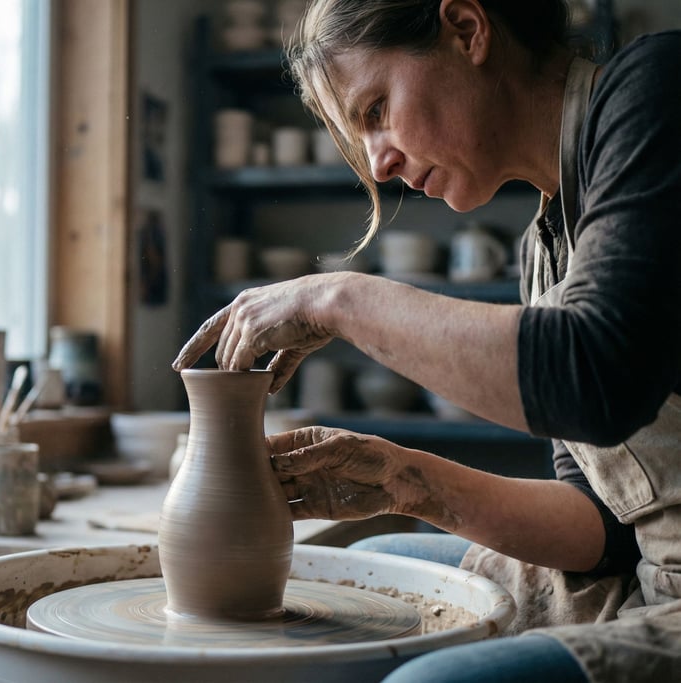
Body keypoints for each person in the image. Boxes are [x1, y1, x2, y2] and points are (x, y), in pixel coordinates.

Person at [172, 0, 681, 681]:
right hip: (651, 571)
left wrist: (339, 296)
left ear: (467, 30)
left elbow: (595, 373)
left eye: (375, 110)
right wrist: (401, 479)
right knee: (369, 571)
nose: (377, 165)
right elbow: (604, 526)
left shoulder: (655, 88)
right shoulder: (542, 248)